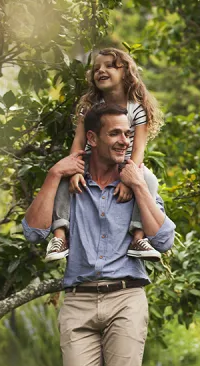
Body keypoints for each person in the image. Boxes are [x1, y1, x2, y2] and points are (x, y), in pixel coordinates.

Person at [22, 103, 176, 366]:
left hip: (127, 297)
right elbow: (34, 233)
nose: (125, 141)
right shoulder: (69, 183)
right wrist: (55, 172)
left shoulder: (143, 178)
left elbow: (163, 241)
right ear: (91, 139)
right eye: (115, 134)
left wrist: (139, 185)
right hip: (77, 300)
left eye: (128, 134)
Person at [45, 48, 164, 263]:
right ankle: (59, 236)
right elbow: (78, 143)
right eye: (96, 68)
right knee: (61, 176)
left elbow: (138, 150)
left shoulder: (136, 109)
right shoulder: (89, 107)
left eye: (109, 66)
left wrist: (129, 180)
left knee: (149, 179)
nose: (101, 70)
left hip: (126, 163)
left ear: (126, 72)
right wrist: (74, 171)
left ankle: (138, 237)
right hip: (93, 162)